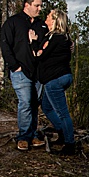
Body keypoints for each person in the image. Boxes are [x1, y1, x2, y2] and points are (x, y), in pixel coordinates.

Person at [0, 0, 47, 151]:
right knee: (25, 103)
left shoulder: (41, 25)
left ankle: (33, 135)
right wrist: (15, 66)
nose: (40, 9)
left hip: (38, 72)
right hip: (21, 71)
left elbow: (46, 45)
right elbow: (5, 47)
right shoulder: (13, 23)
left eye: (41, 6)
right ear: (27, 5)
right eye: (37, 6)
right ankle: (23, 137)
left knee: (34, 104)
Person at [33, 9, 78, 155]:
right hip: (62, 77)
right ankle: (62, 133)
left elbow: (40, 56)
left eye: (48, 16)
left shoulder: (55, 38)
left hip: (55, 80)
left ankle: (70, 144)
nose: (46, 17)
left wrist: (33, 42)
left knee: (63, 113)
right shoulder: (63, 38)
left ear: (55, 20)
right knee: (47, 107)